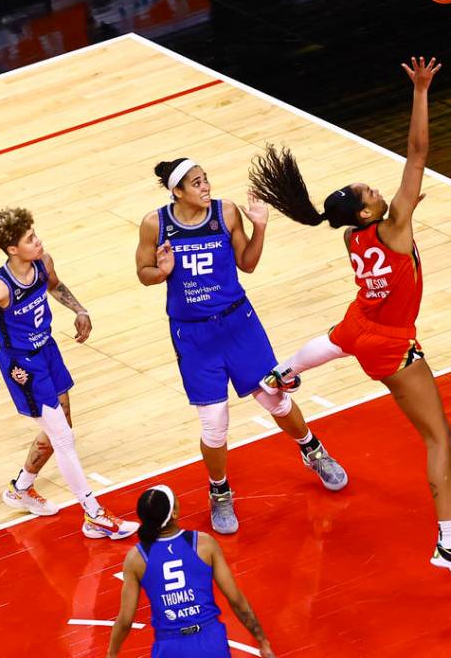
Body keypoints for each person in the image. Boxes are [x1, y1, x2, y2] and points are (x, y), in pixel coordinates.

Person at [249, 56, 451, 573]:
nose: (380, 191)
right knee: (439, 437)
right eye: (372, 194)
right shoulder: (391, 223)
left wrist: (403, 211)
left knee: (338, 339)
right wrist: (421, 90)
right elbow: (418, 152)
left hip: (361, 322)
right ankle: (449, 540)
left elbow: (387, 232)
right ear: (366, 213)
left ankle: (281, 373)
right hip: (390, 342)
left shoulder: (352, 234)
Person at [134, 158, 347, 535]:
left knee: (274, 397)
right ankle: (220, 491)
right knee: (214, 424)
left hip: (238, 324)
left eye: (206, 179)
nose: (206, 187)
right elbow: (143, 273)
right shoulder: (156, 223)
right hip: (193, 335)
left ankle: (313, 451)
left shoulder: (226, 212)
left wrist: (260, 227)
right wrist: (161, 273)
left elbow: (246, 263)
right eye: (196, 183)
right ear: (177, 191)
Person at [0, 207, 135, 538]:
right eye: (30, 239)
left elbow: (56, 285)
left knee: (62, 425)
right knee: (64, 437)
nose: (38, 241)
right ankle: (94, 514)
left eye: (35, 235)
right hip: (23, 364)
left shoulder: (43, 263)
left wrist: (80, 309)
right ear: (12, 249)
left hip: (48, 350)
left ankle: (21, 488)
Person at [106, 485, 276, 658]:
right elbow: (236, 600)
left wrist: (111, 654)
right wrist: (262, 641)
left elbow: (125, 620)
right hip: (210, 641)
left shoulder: (136, 558)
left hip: (170, 648)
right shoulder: (203, 544)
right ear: (174, 514)